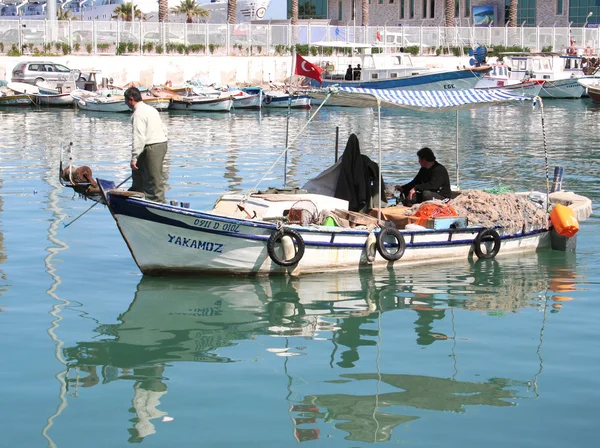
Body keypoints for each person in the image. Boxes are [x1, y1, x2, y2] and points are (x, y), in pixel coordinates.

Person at [124, 87, 168, 203]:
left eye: (125, 100)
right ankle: (136, 196)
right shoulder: (151, 109)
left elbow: (139, 137)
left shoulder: (138, 114)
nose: (125, 103)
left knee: (153, 178)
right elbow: (164, 128)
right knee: (138, 173)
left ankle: (157, 203)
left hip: (152, 146)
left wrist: (134, 158)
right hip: (161, 143)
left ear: (131, 100)